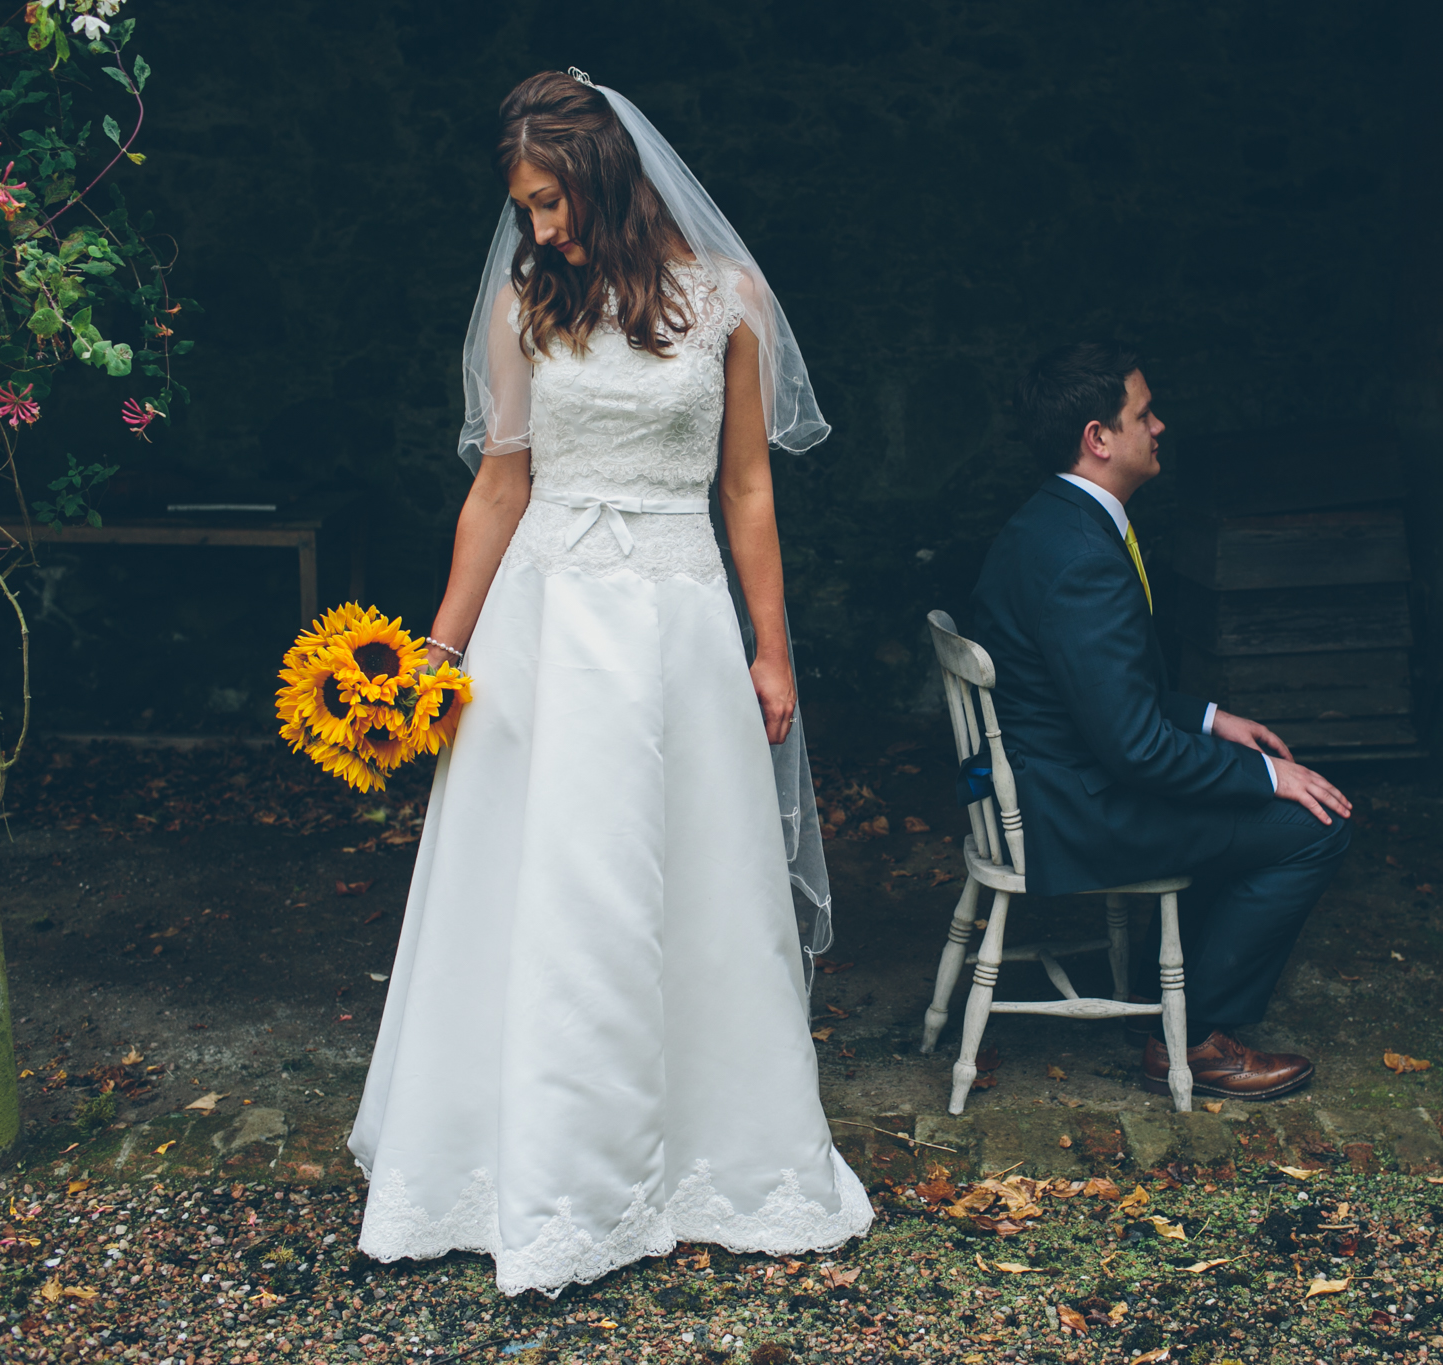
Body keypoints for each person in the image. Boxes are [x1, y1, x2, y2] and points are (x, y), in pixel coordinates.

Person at [345, 69, 870, 1298]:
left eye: (550, 202)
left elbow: (747, 488)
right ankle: (536, 1167)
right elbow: (498, 485)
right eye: (523, 208)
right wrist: (436, 650)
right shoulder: (527, 302)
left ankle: (704, 1159)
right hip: (547, 622)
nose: (537, 229)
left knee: (692, 885)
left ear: (605, 178)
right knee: (547, 895)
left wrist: (770, 644)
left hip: (680, 623)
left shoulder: (729, 299)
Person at [968, 342, 1354, 1102]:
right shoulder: (1080, 552)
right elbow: (1134, 747)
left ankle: (1160, 996)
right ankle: (1197, 1036)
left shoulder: (1054, 523)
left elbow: (1100, 691)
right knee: (1315, 826)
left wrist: (1210, 719)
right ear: (1098, 437)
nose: (1160, 426)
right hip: (1077, 808)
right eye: (1144, 413)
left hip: (1054, 777)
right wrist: (1267, 777)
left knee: (1245, 799)